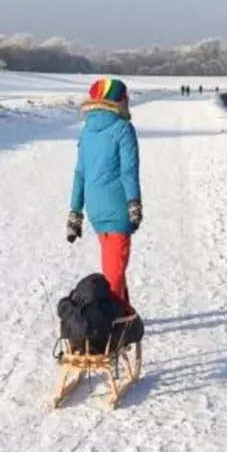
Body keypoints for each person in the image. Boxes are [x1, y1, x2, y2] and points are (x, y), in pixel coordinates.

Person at [67, 77, 142, 311]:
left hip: (95, 209)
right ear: (117, 101)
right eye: (125, 96)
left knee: (113, 263)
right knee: (114, 272)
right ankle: (110, 324)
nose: (128, 100)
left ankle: (124, 312)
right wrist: (134, 204)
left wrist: (75, 212)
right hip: (118, 207)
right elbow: (128, 172)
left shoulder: (87, 131)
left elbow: (80, 173)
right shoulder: (123, 128)